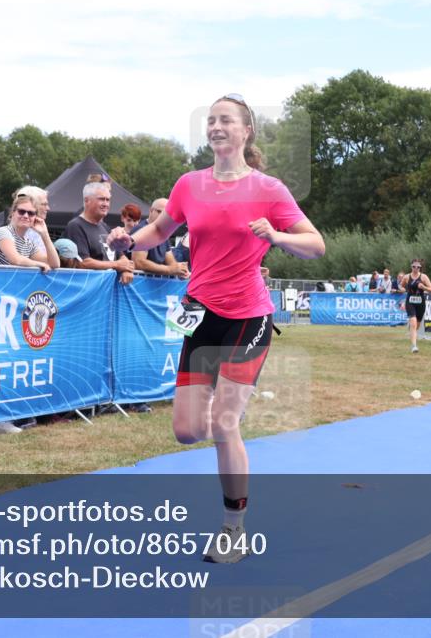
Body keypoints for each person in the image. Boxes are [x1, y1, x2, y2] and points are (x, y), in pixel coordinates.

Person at [108, 93, 325, 564]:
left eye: (225, 120)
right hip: (202, 315)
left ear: (246, 131)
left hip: (248, 317)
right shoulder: (189, 184)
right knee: (187, 431)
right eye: (210, 120)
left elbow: (316, 245)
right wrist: (130, 238)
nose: (215, 127)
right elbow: (161, 231)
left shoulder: (268, 188)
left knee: (225, 424)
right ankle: (230, 429)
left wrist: (279, 235)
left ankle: (233, 529)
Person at [65, 181, 135, 284]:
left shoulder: (105, 227)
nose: (106, 204)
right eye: (101, 199)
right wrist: (117, 265)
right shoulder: (75, 226)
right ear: (87, 200)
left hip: (108, 292)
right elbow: (83, 263)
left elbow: (121, 255)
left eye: (108, 200)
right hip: (89, 290)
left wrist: (126, 269)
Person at [0, 192, 60, 272]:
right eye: (21, 211)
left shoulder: (28, 244)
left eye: (31, 213)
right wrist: (39, 264)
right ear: (13, 213)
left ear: (36, 218)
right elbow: (16, 260)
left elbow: (55, 264)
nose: (26, 216)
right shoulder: (3, 231)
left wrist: (44, 234)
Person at [132, 198, 190, 278]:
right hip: (137, 285)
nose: (162, 216)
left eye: (165, 214)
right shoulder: (141, 230)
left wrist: (179, 269)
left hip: (150, 286)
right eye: (159, 212)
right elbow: (139, 262)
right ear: (151, 211)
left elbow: (171, 262)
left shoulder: (163, 233)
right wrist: (170, 270)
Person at [398, 259, 431, 353]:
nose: (416, 268)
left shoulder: (424, 277)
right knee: (413, 323)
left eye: (418, 267)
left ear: (420, 268)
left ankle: (413, 335)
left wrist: (424, 287)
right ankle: (414, 346)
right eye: (414, 266)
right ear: (411, 267)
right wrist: (402, 289)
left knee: (416, 326)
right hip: (410, 302)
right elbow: (401, 286)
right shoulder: (406, 277)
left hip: (420, 303)